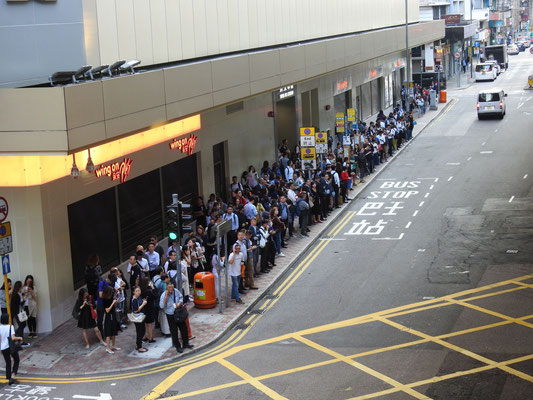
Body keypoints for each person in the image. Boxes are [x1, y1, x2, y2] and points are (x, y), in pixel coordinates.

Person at [159, 283, 193, 353]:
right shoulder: (163, 295)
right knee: (174, 331)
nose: (171, 290)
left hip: (178, 312)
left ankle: (186, 343)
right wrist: (166, 297)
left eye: (172, 288)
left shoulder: (176, 291)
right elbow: (161, 306)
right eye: (169, 289)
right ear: (166, 289)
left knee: (184, 328)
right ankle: (178, 346)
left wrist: (179, 303)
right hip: (170, 315)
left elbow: (181, 297)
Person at [0, 314, 22, 385]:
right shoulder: (10, 327)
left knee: (8, 362)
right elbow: (13, 338)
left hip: (3, 348)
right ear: (7, 319)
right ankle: (13, 376)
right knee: (17, 360)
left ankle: (9, 378)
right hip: (10, 347)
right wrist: (20, 338)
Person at [10, 281, 29, 347]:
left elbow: (19, 304)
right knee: (22, 325)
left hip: (20, 312)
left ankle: (17, 337)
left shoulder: (18, 293)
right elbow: (17, 305)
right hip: (18, 313)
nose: (22, 287)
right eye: (21, 286)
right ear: (19, 287)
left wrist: (23, 298)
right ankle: (18, 339)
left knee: (23, 325)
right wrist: (23, 300)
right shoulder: (16, 295)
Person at [101, 285, 119, 354]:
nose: (112, 293)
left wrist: (115, 302)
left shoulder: (111, 297)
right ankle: (107, 347)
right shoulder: (105, 300)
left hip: (113, 314)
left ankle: (113, 345)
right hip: (108, 316)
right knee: (108, 332)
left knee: (114, 330)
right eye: (111, 292)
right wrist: (113, 303)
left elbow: (114, 306)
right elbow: (107, 310)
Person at [131, 287, 148, 353]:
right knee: (140, 331)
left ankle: (138, 344)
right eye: (136, 291)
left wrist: (143, 302)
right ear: (134, 292)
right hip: (138, 317)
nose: (138, 292)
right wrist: (143, 304)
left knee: (142, 331)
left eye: (139, 290)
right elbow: (136, 310)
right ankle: (139, 346)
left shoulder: (139, 297)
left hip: (141, 317)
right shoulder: (134, 299)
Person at [139, 277, 156, 344]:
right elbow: (155, 296)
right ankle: (150, 338)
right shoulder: (148, 291)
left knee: (145, 323)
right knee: (149, 324)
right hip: (149, 308)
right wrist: (153, 287)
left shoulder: (139, 290)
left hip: (142, 309)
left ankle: (144, 336)